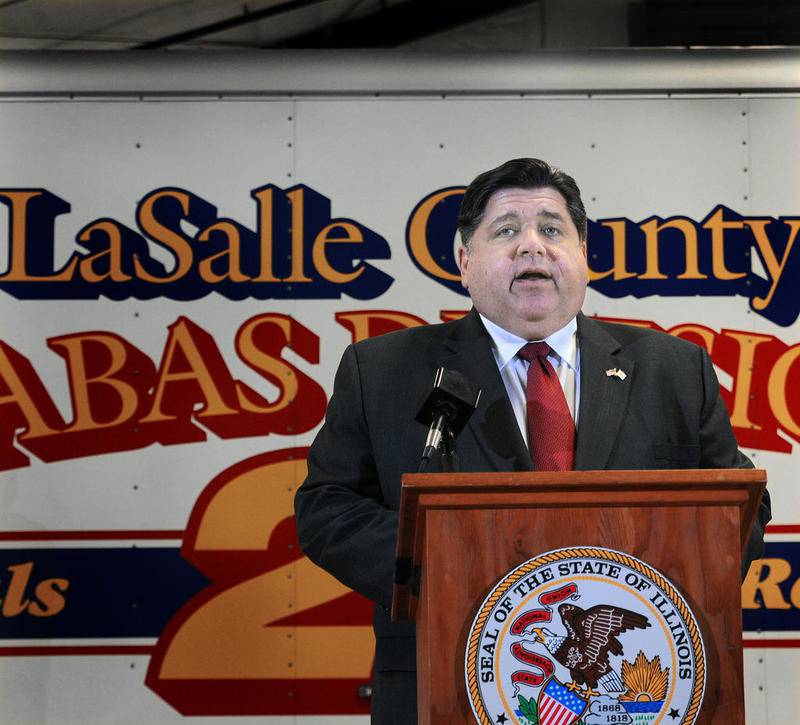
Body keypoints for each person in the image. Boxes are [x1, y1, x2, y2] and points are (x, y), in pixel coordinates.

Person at [294, 158, 771, 724]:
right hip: (445, 679)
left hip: (635, 684)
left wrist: (661, 600)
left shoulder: (673, 370)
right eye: (506, 231)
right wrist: (436, 565)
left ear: (583, 257)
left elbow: (741, 506)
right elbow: (327, 507)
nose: (531, 246)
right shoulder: (385, 371)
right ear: (465, 263)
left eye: (551, 229)